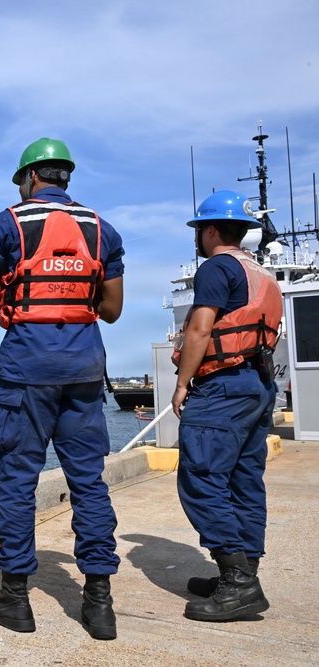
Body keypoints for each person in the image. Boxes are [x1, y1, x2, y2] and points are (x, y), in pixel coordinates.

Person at [0, 137, 125, 640]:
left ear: (30, 178)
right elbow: (112, 310)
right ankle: (98, 604)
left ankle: (15, 599)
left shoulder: (8, 223)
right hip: (84, 371)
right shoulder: (102, 230)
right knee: (88, 482)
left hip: (27, 370)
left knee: (15, 479)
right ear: (65, 178)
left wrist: (12, 279)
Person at [170, 190, 282, 623]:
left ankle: (239, 584)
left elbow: (200, 330)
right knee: (243, 479)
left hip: (223, 389)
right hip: (257, 383)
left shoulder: (217, 268)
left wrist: (182, 384)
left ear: (210, 230)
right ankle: (242, 572)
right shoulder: (261, 273)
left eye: (200, 230)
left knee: (201, 477)